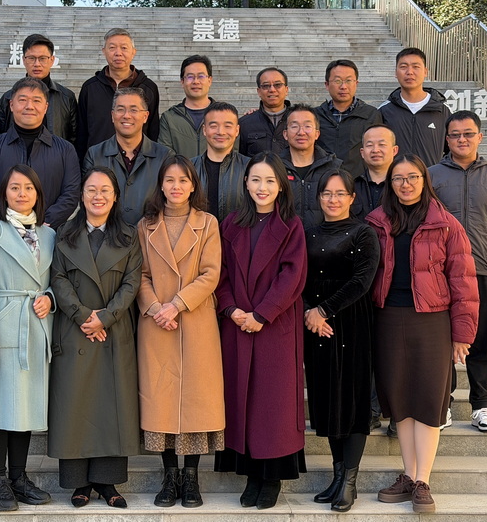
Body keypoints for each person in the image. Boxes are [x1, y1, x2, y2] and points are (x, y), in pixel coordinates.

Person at [366, 154, 479, 514]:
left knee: (429, 399)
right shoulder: (376, 222)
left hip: (432, 321)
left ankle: (423, 481)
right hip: (388, 318)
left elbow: (463, 280)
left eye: (413, 177)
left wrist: (462, 333)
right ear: (390, 184)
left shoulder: (445, 224)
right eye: (398, 178)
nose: (406, 184)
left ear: (424, 180)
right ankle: (409, 474)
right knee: (399, 398)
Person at [214, 153, 308, 510]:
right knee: (243, 400)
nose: (262, 187)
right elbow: (220, 272)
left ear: (281, 185)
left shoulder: (291, 225)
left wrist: (263, 314)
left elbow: (292, 276)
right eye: (255, 179)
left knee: (273, 404)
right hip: (237, 323)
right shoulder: (231, 224)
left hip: (275, 324)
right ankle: (251, 475)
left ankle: (271, 479)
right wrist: (231, 309)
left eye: (270, 180)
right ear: (245, 183)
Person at [48, 167, 143, 509]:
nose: (98, 196)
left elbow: (132, 282)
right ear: (82, 195)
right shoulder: (64, 233)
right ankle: (79, 483)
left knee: (111, 406)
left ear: (115, 196)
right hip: (75, 331)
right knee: (75, 405)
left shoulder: (129, 236)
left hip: (113, 331)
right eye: (91, 189)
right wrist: (83, 316)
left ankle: (107, 482)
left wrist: (104, 317)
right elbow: (57, 278)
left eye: (105, 190)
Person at [136, 156, 224, 508]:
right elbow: (140, 274)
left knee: (195, 400)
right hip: (157, 323)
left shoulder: (208, 223)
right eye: (170, 180)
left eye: (183, 180)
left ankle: (191, 477)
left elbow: (211, 273)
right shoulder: (146, 225)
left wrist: (177, 304)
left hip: (195, 318)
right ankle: (169, 476)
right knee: (162, 399)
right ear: (160, 184)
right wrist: (156, 308)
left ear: (193, 185)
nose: (176, 186)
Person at [429, 110, 487, 433]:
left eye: (468, 133)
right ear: (447, 139)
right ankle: (444, 404)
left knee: (480, 343)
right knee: (443, 343)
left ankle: (481, 405)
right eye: (455, 134)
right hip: (441, 275)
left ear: (480, 137)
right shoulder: (432, 175)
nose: (462, 139)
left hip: (483, 271)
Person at [0, 165, 55, 511]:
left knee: (25, 406)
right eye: (15, 187)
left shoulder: (49, 235)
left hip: (36, 328)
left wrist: (50, 298)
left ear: (38, 194)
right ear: (4, 193)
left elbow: (55, 281)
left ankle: (19, 479)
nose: (22, 194)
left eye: (29, 188)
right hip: (4, 329)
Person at [303, 169, 380, 512]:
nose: (332, 200)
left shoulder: (364, 233)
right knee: (328, 399)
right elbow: (299, 277)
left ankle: (350, 481)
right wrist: (310, 313)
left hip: (351, 323)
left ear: (352, 198)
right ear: (318, 198)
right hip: (316, 327)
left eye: (339, 194)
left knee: (352, 399)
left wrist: (323, 310)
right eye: (326, 194)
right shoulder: (308, 233)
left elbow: (362, 280)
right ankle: (337, 476)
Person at [0, 77, 80, 225]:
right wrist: (10, 220)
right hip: (2, 230)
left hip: (49, 232)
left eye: (36, 101)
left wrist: (44, 222)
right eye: (23, 100)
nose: (29, 106)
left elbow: (71, 193)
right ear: (11, 105)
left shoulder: (65, 149)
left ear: (46, 107)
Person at [352, 123, 399, 437]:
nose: (376, 149)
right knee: (364, 348)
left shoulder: (404, 184)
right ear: (361, 151)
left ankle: (396, 410)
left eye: (382, 144)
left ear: (394, 150)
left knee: (395, 349)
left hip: (396, 279)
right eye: (370, 144)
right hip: (359, 279)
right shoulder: (351, 185)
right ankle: (369, 410)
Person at [83, 88, 173, 226]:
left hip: (151, 234)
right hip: (107, 235)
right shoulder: (95, 155)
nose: (126, 115)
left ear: (145, 116)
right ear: (112, 115)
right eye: (120, 109)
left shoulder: (164, 156)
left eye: (133, 110)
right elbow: (87, 199)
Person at [76, 28, 161, 160]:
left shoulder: (148, 88)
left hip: (138, 163)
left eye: (124, 48)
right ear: (104, 51)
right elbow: (81, 133)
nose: (118, 53)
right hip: (98, 161)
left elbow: (153, 131)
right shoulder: (90, 88)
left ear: (133, 52)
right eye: (112, 47)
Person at [0, 34, 77, 144]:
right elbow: (2, 137)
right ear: (23, 60)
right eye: (31, 58)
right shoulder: (8, 98)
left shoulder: (67, 97)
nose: (37, 64)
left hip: (56, 154)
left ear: (52, 60)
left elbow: (74, 137)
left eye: (42, 58)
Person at [379, 48, 450, 168]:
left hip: (432, 179)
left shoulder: (442, 110)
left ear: (425, 72)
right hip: (396, 178)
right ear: (396, 73)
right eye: (403, 67)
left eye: (416, 67)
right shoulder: (384, 111)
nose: (409, 72)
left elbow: (452, 151)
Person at [315, 59, 383, 178]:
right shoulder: (315, 115)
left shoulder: (371, 114)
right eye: (337, 81)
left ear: (356, 83)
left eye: (348, 81)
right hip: (322, 181)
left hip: (359, 181)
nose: (343, 86)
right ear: (327, 85)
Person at [280, 104, 344, 229]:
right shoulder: (274, 169)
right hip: (285, 239)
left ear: (317, 134)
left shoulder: (334, 168)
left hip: (325, 239)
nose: (301, 132)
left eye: (307, 126)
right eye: (294, 126)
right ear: (285, 134)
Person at [192, 102, 250, 221]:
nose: (221, 132)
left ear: (237, 130)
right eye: (213, 126)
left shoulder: (250, 168)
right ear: (204, 130)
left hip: (238, 232)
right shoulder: (190, 168)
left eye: (228, 126)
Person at [158, 55, 215, 158]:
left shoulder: (224, 116)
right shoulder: (169, 118)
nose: (196, 81)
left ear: (210, 80)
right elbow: (166, 156)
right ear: (182, 82)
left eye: (201, 76)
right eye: (190, 77)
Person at [238, 67, 291, 157]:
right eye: (266, 86)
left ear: (286, 90)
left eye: (277, 85)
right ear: (259, 91)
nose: (272, 90)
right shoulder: (244, 124)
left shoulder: (300, 121)